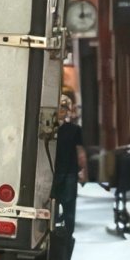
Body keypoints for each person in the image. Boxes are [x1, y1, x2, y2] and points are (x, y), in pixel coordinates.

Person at [52, 93, 86, 240]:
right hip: (63, 174)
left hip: (62, 174)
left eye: (63, 108)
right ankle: (64, 236)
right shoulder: (73, 129)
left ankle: (62, 235)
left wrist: (82, 169)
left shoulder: (69, 130)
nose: (62, 110)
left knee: (62, 208)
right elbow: (80, 153)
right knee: (66, 208)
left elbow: (80, 153)